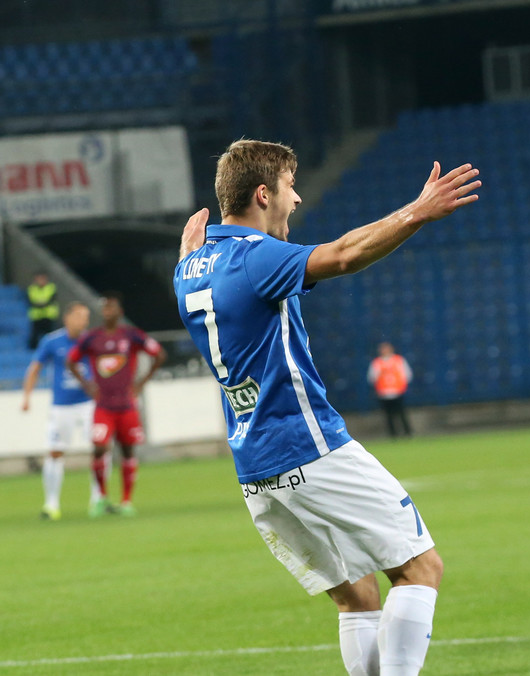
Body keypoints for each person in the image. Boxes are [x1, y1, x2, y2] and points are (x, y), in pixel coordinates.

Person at [174, 139, 479, 676]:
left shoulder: (189, 269)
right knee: (420, 569)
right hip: (310, 449)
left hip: (256, 472)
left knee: (357, 596)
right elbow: (342, 255)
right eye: (291, 187)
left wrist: (189, 254)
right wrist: (417, 212)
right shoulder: (254, 257)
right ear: (263, 193)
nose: (297, 200)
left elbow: (208, 278)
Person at [67, 292, 165, 518]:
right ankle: (101, 497)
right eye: (105, 308)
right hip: (103, 405)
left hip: (126, 405)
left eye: (111, 308)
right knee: (99, 447)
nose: (107, 311)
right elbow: (71, 360)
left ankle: (126, 501)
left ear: (120, 312)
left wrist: (141, 382)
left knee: (128, 450)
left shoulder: (131, 335)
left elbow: (159, 354)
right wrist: (87, 384)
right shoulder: (92, 338)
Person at [20, 302, 95, 520]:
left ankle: (97, 499)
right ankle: (51, 504)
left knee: (100, 449)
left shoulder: (91, 340)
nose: (85, 321)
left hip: (88, 404)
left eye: (87, 316)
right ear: (68, 317)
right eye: (80, 316)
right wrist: (27, 397)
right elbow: (35, 368)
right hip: (61, 406)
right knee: (54, 452)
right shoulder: (52, 341)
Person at [369, 342, 414, 437]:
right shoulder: (377, 363)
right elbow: (372, 377)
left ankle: (407, 433)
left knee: (401, 414)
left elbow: (407, 374)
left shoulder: (398, 360)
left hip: (397, 392)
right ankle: (393, 434)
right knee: (388, 415)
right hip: (384, 393)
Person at [26, 271, 59, 350]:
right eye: (39, 279)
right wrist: (43, 303)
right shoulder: (32, 289)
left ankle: (52, 350)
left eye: (42, 278)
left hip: (49, 316)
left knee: (51, 336)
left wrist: (40, 303)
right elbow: (31, 301)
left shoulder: (51, 287)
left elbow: (51, 300)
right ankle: (33, 352)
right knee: (35, 336)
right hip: (37, 317)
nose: (40, 280)